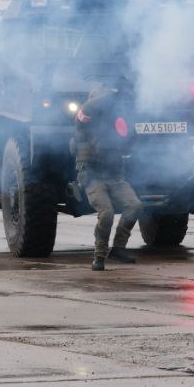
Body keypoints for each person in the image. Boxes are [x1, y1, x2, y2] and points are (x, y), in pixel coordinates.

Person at [73, 86, 142, 271]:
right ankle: (99, 256)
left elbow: (129, 141)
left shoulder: (114, 124)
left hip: (115, 177)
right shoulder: (84, 124)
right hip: (93, 178)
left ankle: (118, 248)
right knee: (107, 214)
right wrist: (113, 94)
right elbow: (86, 109)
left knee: (134, 206)